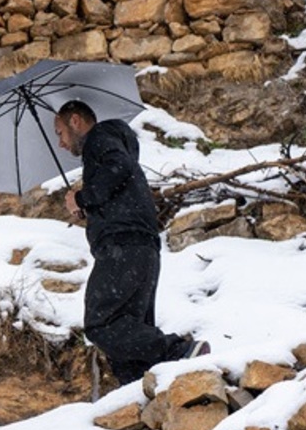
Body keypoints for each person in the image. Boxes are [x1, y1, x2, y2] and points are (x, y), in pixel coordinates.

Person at [53, 100, 209, 385]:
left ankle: (182, 350)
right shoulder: (110, 145)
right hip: (141, 249)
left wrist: (83, 197)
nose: (61, 143)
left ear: (75, 121)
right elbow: (118, 175)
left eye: (60, 132)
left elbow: (118, 167)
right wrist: (87, 205)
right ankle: (140, 400)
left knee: (102, 324)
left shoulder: (99, 138)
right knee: (129, 341)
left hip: (122, 247)